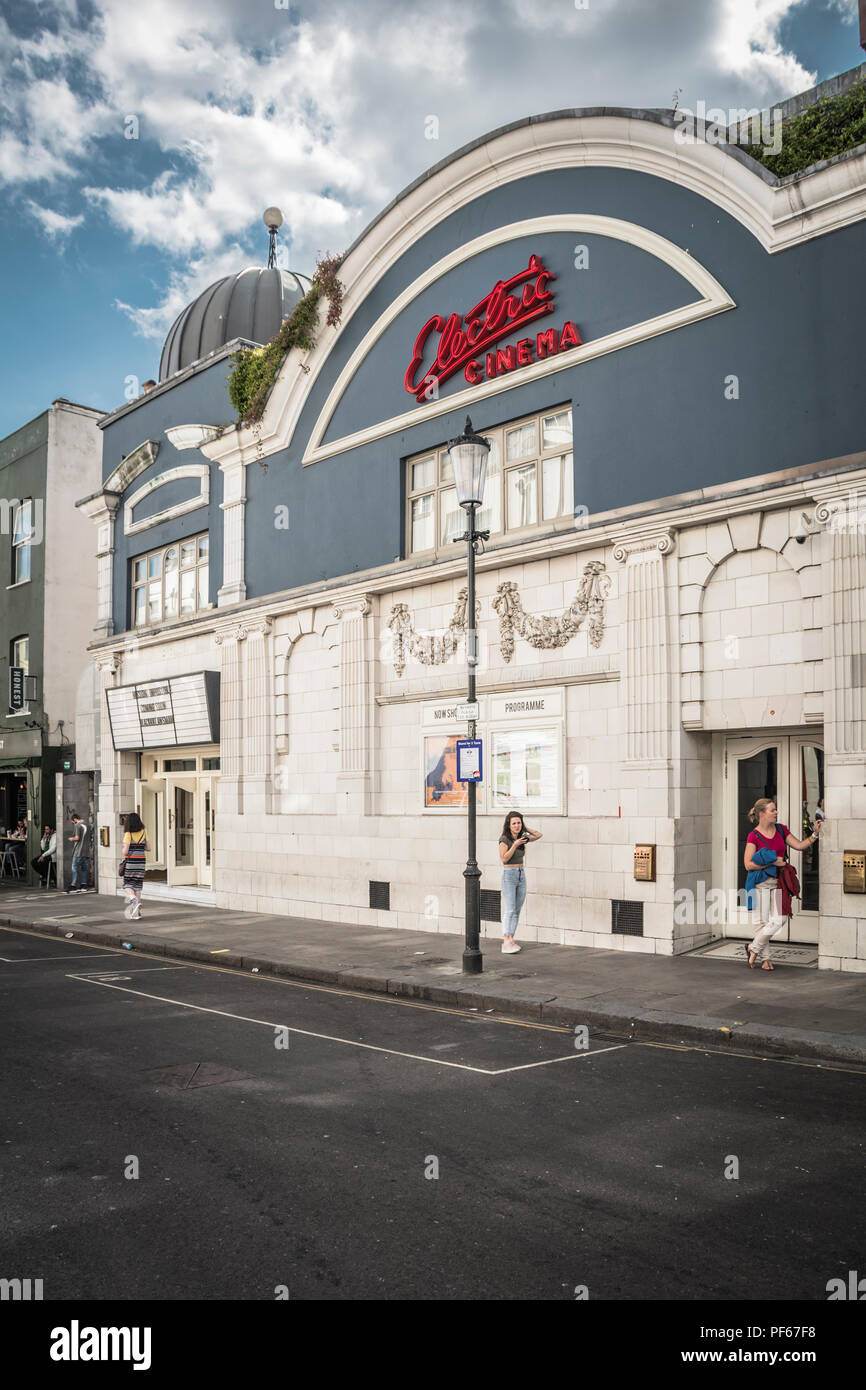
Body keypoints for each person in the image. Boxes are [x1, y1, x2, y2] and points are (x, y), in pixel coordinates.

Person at [744, 797, 820, 970]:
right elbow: (748, 864)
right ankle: (766, 959)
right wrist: (772, 862)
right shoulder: (753, 836)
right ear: (762, 814)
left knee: (780, 919)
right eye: (773, 810)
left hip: (779, 884)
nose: (776, 812)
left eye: (776, 809)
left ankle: (752, 948)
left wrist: (814, 834)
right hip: (760, 884)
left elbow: (800, 846)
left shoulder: (781, 830)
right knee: (762, 923)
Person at [498, 810, 542, 954]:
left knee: (517, 909)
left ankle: (511, 938)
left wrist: (525, 828)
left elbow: (538, 835)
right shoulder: (505, 839)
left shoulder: (523, 837)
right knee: (510, 909)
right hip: (509, 874)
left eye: (518, 823)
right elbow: (504, 858)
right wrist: (515, 845)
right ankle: (505, 940)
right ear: (509, 825)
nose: (516, 826)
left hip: (521, 874)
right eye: (514, 823)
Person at [121, 812, 150, 919]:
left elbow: (125, 852)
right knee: (137, 886)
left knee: (127, 885)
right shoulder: (144, 832)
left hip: (131, 862)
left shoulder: (128, 834)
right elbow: (148, 848)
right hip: (141, 862)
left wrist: (123, 847)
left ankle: (134, 900)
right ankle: (137, 914)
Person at [65, 810, 90, 892]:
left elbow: (77, 838)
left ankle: (73, 885)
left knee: (74, 868)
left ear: (75, 819)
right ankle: (84, 885)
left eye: (73, 822)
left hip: (79, 851)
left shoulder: (78, 825)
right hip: (86, 851)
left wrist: (71, 839)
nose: (73, 824)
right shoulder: (88, 825)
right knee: (84, 869)